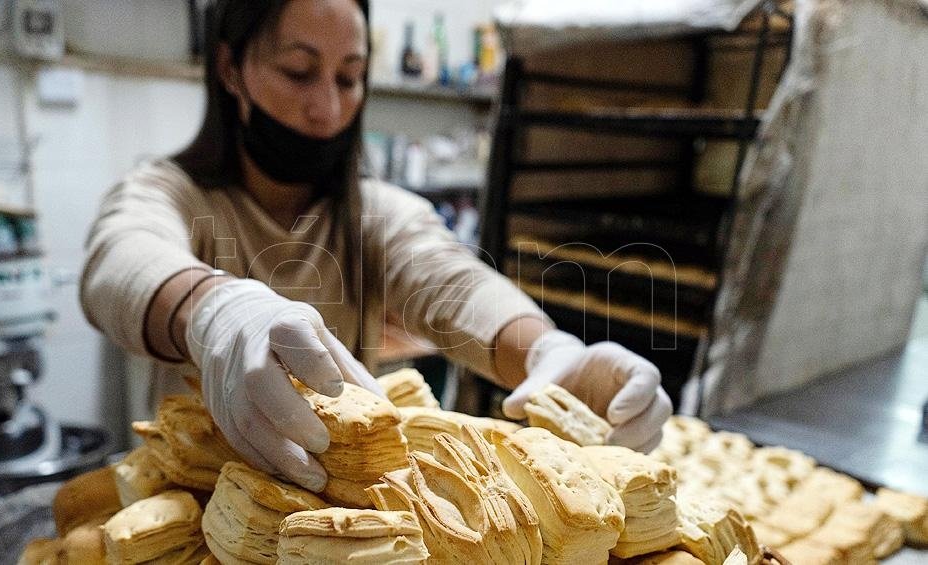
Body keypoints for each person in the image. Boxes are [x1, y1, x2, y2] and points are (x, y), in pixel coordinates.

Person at [80, 0, 671, 493]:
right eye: (297, 71)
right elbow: (122, 258)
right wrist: (217, 313)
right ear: (231, 69)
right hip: (195, 512)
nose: (328, 108)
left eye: (349, 77)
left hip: (344, 521)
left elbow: (449, 281)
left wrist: (547, 353)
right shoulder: (175, 195)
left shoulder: (374, 216)